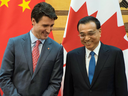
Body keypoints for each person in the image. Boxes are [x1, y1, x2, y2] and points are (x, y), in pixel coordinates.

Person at [0, 2, 63, 96]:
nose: (49, 30)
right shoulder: (14, 43)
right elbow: (4, 77)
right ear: (33, 21)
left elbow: (55, 83)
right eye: (45, 26)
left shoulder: (57, 49)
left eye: (51, 26)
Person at [63, 16, 128, 96]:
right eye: (82, 35)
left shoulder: (115, 54)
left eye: (91, 33)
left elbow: (121, 87)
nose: (86, 38)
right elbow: (68, 89)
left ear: (99, 32)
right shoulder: (72, 56)